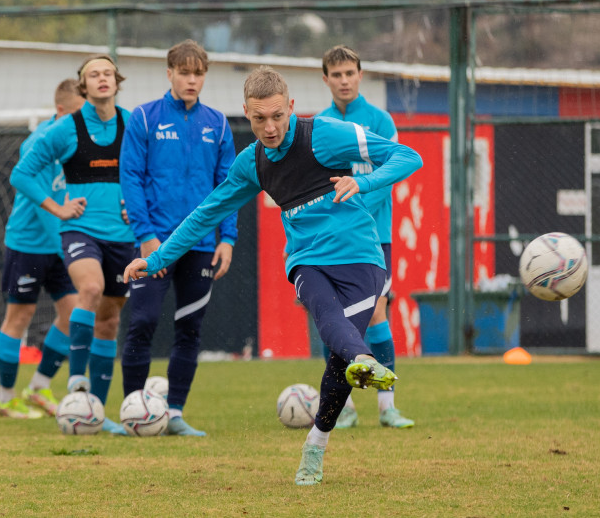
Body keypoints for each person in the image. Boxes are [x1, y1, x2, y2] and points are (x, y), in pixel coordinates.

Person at [123, 66, 422, 485]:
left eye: (278, 116)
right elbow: (206, 214)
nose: (269, 127)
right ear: (245, 113)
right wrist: (155, 260)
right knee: (326, 316)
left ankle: (316, 442)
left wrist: (366, 182)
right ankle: (365, 359)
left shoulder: (324, 134)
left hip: (361, 259)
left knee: (338, 359)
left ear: (292, 109)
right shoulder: (254, 163)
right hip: (306, 258)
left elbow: (408, 156)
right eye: (259, 118)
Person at [11, 55, 134, 435]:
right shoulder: (64, 130)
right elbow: (22, 174)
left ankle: (96, 411)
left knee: (110, 319)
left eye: (107, 73)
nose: (101, 79)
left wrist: (139, 205)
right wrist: (56, 207)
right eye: (93, 74)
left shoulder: (134, 124)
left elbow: (153, 173)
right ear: (83, 86)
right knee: (91, 288)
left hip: (123, 235)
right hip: (80, 231)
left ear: (117, 81)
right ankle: (76, 383)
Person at [119, 40, 237, 437]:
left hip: (202, 245)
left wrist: (228, 238)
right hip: (155, 243)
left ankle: (174, 413)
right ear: (168, 73)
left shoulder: (218, 124)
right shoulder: (145, 118)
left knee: (190, 328)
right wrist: (146, 235)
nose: (191, 80)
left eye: (198, 73)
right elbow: (131, 178)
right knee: (143, 322)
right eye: (184, 72)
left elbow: (229, 186)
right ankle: (133, 408)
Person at [316, 45, 414, 430]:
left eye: (349, 73)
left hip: (374, 236)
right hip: (330, 241)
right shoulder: (318, 125)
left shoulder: (379, 120)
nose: (343, 81)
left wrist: (355, 204)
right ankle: (344, 409)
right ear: (325, 79)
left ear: (360, 75)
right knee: (333, 318)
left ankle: (387, 406)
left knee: (376, 312)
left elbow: (390, 173)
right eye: (336, 75)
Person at [0, 79, 85, 419]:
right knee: (19, 317)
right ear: (60, 111)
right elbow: (41, 204)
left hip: (60, 243)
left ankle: (39, 387)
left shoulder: (80, 140)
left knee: (73, 312)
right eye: (77, 115)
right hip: (30, 245)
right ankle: (6, 398)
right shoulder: (39, 142)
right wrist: (68, 246)